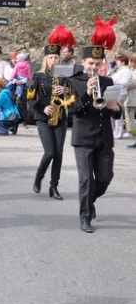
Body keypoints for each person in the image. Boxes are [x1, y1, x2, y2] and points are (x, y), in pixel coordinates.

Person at [67, 42, 122, 233]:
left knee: (105, 178)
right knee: (85, 180)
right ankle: (85, 217)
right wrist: (87, 94)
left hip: (104, 138)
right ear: (83, 62)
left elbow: (116, 113)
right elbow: (72, 110)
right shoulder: (73, 82)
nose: (94, 67)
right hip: (83, 139)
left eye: (98, 64)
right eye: (91, 63)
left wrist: (115, 107)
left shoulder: (108, 82)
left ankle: (89, 200)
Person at [31, 43, 70, 199]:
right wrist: (43, 108)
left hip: (60, 117)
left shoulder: (65, 77)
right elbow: (30, 99)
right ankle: (39, 176)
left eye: (56, 57)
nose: (54, 60)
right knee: (49, 153)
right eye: (51, 57)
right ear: (46, 59)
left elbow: (73, 98)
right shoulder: (37, 76)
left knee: (59, 154)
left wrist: (66, 92)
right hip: (43, 118)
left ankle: (54, 186)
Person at [111, 55, 132, 139]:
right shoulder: (118, 71)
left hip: (120, 93)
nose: (116, 62)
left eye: (118, 61)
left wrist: (113, 81)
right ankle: (114, 131)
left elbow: (124, 82)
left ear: (123, 62)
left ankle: (119, 132)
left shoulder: (126, 71)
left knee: (118, 113)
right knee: (113, 112)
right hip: (114, 92)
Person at [125, 55, 136, 148]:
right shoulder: (132, 71)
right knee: (129, 116)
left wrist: (123, 83)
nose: (128, 63)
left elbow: (133, 82)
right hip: (130, 97)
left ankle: (130, 133)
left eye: (130, 61)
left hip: (133, 97)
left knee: (131, 117)